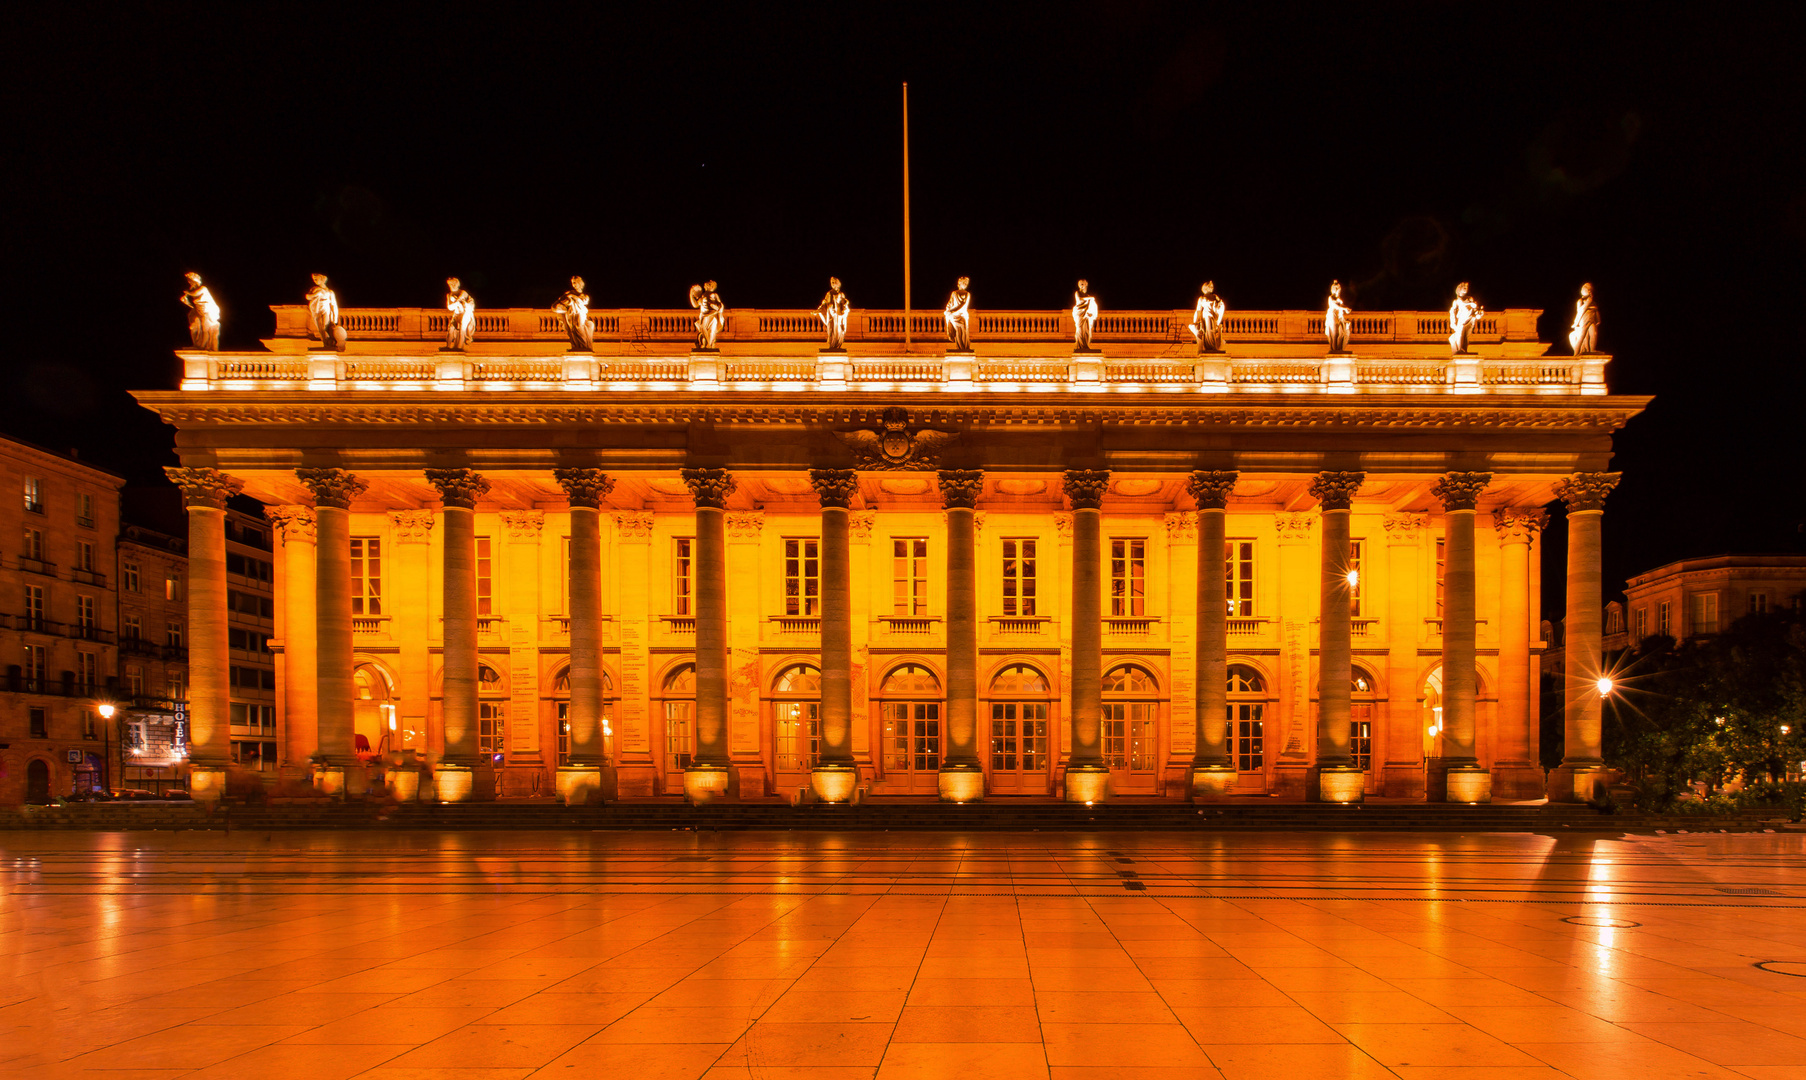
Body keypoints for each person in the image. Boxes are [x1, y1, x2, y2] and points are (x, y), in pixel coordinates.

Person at [306, 273, 346, 352]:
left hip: (326, 309)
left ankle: (327, 343)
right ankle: (325, 342)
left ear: (322, 279)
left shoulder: (329, 292)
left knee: (325, 326)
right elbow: (308, 297)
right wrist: (317, 294)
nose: (315, 281)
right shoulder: (314, 289)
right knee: (320, 327)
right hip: (316, 310)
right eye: (314, 279)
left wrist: (334, 319)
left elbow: (334, 305)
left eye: (316, 279)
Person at [180, 272, 220, 351]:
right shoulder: (194, 293)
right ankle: (197, 345)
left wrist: (187, 292)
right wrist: (186, 301)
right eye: (189, 282)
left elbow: (195, 293)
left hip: (206, 313)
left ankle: (202, 346)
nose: (190, 283)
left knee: (205, 329)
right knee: (194, 327)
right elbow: (193, 304)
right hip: (198, 312)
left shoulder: (203, 288)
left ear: (195, 281)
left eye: (191, 281)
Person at [553, 276, 593, 352]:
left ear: (579, 283)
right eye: (572, 283)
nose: (573, 284)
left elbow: (584, 301)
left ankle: (583, 346)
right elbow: (556, 306)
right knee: (572, 330)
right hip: (570, 315)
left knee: (578, 326)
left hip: (579, 313)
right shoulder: (568, 294)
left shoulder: (584, 296)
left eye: (575, 282)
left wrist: (572, 297)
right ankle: (576, 346)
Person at [1189, 281, 1225, 354]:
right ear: (1206, 287)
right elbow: (1198, 311)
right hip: (1206, 316)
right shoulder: (1201, 298)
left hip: (1213, 316)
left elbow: (1221, 305)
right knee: (1208, 331)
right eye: (1210, 286)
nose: (1212, 288)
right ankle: (1209, 347)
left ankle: (1213, 347)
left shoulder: (1214, 296)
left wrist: (1219, 305)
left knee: (1212, 331)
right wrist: (1196, 321)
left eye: (1212, 286)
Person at [1448, 281, 1484, 354]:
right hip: (1461, 318)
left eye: (1466, 288)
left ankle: (1463, 348)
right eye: (1464, 288)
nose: (1465, 289)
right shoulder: (1457, 300)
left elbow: (1475, 308)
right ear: (1459, 289)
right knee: (1460, 333)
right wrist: (1453, 322)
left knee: (1466, 334)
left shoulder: (1470, 298)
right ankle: (1460, 348)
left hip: (1469, 317)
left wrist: (1478, 312)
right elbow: (1452, 311)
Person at [689, 280, 726, 349]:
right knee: (703, 327)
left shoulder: (714, 295)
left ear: (712, 287)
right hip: (704, 315)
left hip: (712, 314)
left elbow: (720, 305)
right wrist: (691, 295)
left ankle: (709, 345)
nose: (706, 285)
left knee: (712, 331)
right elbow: (695, 304)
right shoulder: (703, 296)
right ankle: (708, 343)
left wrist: (715, 306)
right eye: (707, 284)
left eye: (709, 284)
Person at [816, 277, 850, 350]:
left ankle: (837, 343)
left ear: (838, 284)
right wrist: (820, 309)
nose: (833, 284)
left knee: (839, 330)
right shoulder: (829, 293)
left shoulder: (841, 294)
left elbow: (844, 303)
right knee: (831, 329)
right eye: (832, 283)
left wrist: (845, 305)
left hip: (838, 315)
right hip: (831, 315)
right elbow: (824, 303)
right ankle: (832, 343)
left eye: (835, 282)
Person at [444, 277, 476, 351]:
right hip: (457, 313)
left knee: (462, 327)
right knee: (451, 327)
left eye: (453, 283)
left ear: (457, 284)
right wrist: (457, 302)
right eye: (450, 284)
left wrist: (456, 302)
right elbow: (449, 307)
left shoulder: (463, 293)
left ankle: (459, 347)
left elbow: (464, 303)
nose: (452, 285)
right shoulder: (449, 295)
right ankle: (448, 346)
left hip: (465, 313)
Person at [1568, 283, 1600, 355]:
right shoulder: (1581, 301)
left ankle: (1592, 350)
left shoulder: (1593, 302)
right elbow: (1580, 311)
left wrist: (1598, 320)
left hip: (1592, 319)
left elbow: (1596, 311)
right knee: (1581, 336)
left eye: (1590, 290)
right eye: (1588, 290)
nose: (1589, 291)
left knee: (1594, 333)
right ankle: (1576, 353)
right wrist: (1576, 322)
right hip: (1584, 319)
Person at [944, 276, 973, 351]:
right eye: (964, 283)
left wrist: (951, 311)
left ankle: (962, 347)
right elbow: (950, 304)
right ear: (960, 283)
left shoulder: (967, 294)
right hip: (956, 316)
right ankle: (960, 347)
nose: (965, 284)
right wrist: (948, 310)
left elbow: (963, 304)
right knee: (958, 332)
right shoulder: (954, 293)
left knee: (962, 332)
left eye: (966, 283)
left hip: (960, 315)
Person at [1071, 279, 1098, 351]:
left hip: (1086, 316)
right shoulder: (1078, 293)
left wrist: (1091, 314)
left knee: (1086, 331)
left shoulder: (1089, 297)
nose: (1081, 286)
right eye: (1080, 284)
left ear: (1086, 285)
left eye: (1083, 284)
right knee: (1079, 329)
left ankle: (1085, 345)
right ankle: (1080, 345)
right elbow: (1080, 299)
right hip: (1080, 314)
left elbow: (1093, 307)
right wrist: (1091, 298)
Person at [1324, 280, 1351, 353]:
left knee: (1341, 332)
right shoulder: (1331, 298)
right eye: (1335, 289)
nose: (1336, 290)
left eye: (1338, 289)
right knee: (1334, 333)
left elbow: (1342, 307)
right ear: (1332, 289)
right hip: (1332, 315)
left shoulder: (1340, 300)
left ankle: (1339, 348)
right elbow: (1334, 305)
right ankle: (1334, 348)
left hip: (1339, 316)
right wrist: (1344, 308)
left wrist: (1346, 310)